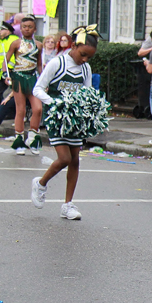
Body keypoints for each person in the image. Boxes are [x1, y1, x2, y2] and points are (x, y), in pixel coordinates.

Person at [30, 26, 98, 221]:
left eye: (89, 57)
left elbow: (87, 92)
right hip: (56, 117)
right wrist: (56, 103)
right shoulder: (57, 64)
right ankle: (41, 183)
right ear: (74, 46)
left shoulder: (85, 68)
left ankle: (68, 205)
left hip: (75, 119)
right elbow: (38, 89)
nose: (85, 59)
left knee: (75, 160)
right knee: (64, 158)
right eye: (83, 54)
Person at [5, 16, 43, 155]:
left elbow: (39, 64)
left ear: (35, 29)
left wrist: (43, 79)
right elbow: (6, 60)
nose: (27, 29)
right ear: (20, 29)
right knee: (20, 110)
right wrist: (5, 73)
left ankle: (32, 138)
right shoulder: (15, 43)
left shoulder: (39, 45)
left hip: (33, 79)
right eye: (24, 26)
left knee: (37, 108)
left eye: (30, 26)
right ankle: (19, 139)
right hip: (18, 78)